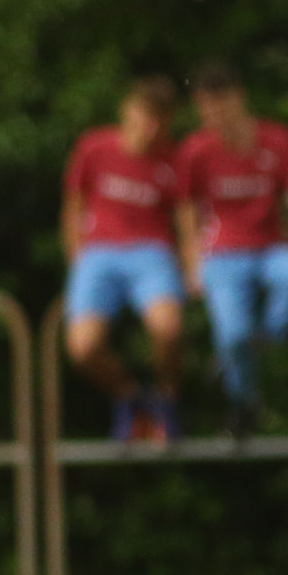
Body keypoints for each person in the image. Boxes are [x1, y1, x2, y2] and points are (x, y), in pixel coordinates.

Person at [172, 61, 288, 438]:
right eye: (206, 108)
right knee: (232, 334)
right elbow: (186, 210)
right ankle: (243, 401)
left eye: (220, 104)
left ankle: (252, 349)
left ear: (238, 98)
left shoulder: (277, 140)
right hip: (223, 251)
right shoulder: (195, 150)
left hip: (273, 245)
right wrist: (191, 264)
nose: (214, 115)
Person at [61, 75, 186, 445]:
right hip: (98, 253)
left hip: (151, 252)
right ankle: (130, 397)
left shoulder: (173, 161)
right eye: (144, 114)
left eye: (159, 119)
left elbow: (185, 217)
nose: (149, 127)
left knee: (168, 329)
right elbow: (73, 206)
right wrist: (77, 260)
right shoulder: (94, 148)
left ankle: (167, 398)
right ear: (127, 110)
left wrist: (190, 264)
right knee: (82, 348)